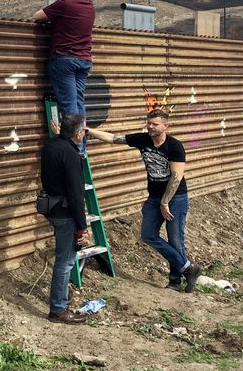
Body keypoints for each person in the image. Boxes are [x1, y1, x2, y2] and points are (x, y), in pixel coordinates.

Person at [85, 109, 202, 292]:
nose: (150, 126)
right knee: (148, 235)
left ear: (165, 126)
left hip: (175, 198)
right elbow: (114, 138)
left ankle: (175, 282)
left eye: (155, 124)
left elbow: (176, 177)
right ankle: (188, 268)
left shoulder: (175, 146)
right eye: (149, 123)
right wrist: (88, 130)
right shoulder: (143, 139)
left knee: (175, 240)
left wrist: (165, 202)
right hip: (154, 197)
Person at [32, 0, 95, 153]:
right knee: (78, 104)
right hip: (83, 61)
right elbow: (71, 10)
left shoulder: (65, 4)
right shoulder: (90, 6)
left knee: (68, 107)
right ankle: (82, 147)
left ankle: (74, 149)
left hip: (64, 60)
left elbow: (37, 16)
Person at [40, 113, 91, 324]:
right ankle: (58, 309)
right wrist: (82, 227)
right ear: (78, 134)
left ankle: (60, 298)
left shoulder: (51, 145)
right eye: (84, 130)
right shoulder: (71, 154)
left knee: (64, 259)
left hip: (52, 208)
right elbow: (76, 195)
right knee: (66, 261)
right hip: (65, 213)